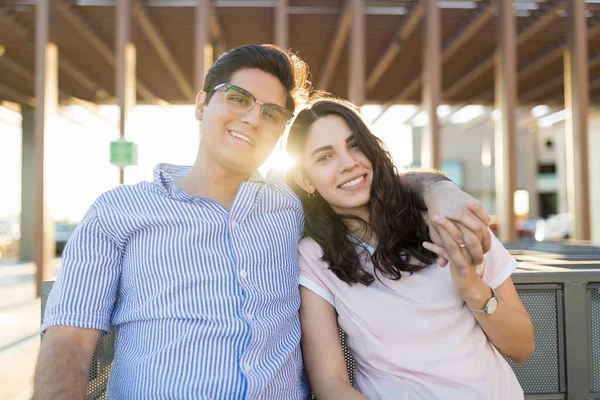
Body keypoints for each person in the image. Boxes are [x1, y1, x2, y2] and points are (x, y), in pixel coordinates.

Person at [35, 44, 493, 400]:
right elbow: (69, 341)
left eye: (272, 113)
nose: (253, 118)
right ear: (200, 105)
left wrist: (439, 190)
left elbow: (370, 181)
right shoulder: (118, 212)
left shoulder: (293, 205)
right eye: (238, 98)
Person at [286, 98, 535, 400]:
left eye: (354, 146)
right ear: (305, 179)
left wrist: (473, 290)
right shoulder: (314, 256)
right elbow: (330, 384)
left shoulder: (449, 220)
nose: (348, 163)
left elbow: (522, 347)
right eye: (325, 157)